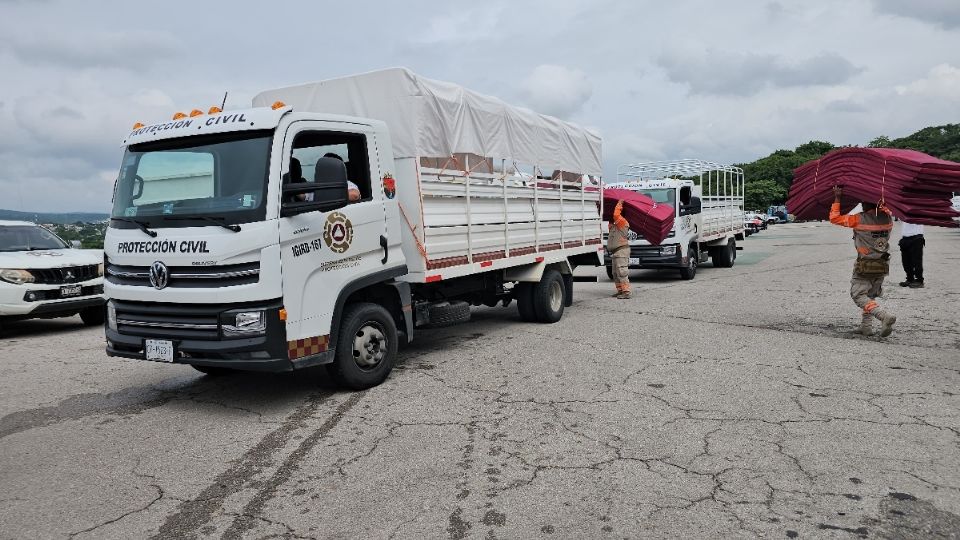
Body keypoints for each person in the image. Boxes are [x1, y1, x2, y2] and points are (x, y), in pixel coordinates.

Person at [829, 185, 896, 337]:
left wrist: (838, 197)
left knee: (858, 294)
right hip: (883, 264)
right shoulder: (887, 217)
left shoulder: (859, 219)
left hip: (865, 264)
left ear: (865, 205)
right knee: (870, 294)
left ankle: (883, 316)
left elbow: (834, 218)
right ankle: (866, 327)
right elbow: (884, 207)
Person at [607, 200, 631, 299]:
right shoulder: (615, 225)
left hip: (621, 251)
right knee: (615, 273)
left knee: (622, 272)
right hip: (616, 252)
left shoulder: (622, 222)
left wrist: (619, 203)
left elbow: (616, 214)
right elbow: (610, 221)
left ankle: (626, 292)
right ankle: (620, 290)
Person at [898, 222, 924, 288]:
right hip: (905, 237)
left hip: (917, 236)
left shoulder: (919, 212)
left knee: (916, 261)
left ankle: (919, 280)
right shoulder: (905, 213)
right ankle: (910, 278)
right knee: (905, 261)